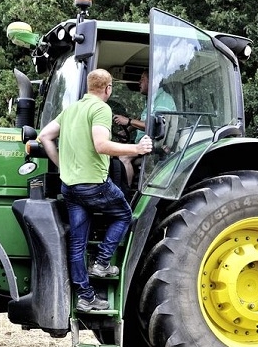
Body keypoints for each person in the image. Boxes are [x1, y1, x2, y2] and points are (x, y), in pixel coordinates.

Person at [38, 69, 153, 311]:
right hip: (94, 185)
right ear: (108, 88)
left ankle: (86, 297)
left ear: (89, 86)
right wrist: (137, 149)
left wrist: (62, 165)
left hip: (70, 187)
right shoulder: (101, 109)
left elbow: (45, 136)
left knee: (77, 244)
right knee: (123, 214)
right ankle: (102, 262)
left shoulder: (72, 109)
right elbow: (101, 145)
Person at [111, 71, 175, 186]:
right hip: (143, 142)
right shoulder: (151, 100)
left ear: (152, 81)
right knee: (112, 151)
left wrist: (128, 121)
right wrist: (128, 130)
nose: (139, 82)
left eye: (142, 78)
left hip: (154, 145)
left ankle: (126, 195)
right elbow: (142, 118)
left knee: (123, 156)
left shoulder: (163, 99)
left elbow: (155, 125)